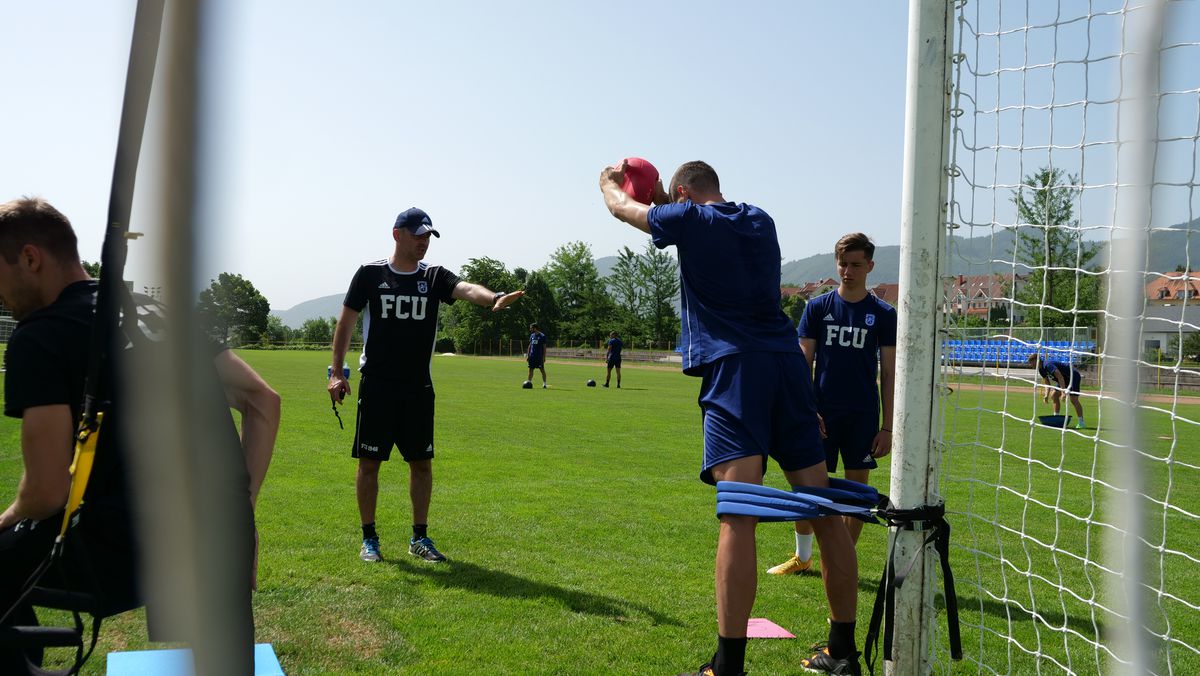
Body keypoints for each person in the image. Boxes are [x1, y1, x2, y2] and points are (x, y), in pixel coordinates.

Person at [600, 161, 862, 675]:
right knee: (824, 505)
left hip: (736, 369)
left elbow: (622, 208)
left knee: (738, 511)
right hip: (787, 367)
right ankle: (842, 652)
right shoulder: (760, 218)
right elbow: (679, 216)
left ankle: (728, 666)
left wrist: (608, 181)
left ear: (681, 192)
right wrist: (663, 199)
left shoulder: (690, 220)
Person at [0, 197, 278, 673]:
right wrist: (242, 516)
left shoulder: (39, 336)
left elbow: (46, 493)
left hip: (130, 544)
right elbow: (263, 402)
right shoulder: (162, 313)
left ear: (30, 259)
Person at [327, 207, 523, 564]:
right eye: (417, 235)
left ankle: (420, 538)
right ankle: (369, 538)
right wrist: (336, 372)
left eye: (428, 237)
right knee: (369, 463)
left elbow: (465, 288)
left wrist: (493, 298)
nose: (423, 242)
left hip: (418, 387)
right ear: (397, 234)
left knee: (421, 464)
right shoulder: (370, 274)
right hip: (378, 386)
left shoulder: (433, 277)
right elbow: (345, 324)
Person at [767, 233, 896, 576]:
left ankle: (837, 560)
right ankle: (803, 557)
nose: (848, 271)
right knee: (809, 489)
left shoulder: (883, 314)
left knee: (857, 495)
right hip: (820, 415)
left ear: (869, 266)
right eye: (843, 264)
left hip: (863, 417)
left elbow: (889, 373)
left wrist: (888, 426)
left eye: (856, 265)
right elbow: (801, 364)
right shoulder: (817, 308)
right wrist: (806, 410)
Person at [1028, 352, 1086, 428]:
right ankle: (1056, 419)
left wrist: (1063, 392)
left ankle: (1081, 423)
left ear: (1036, 361)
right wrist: (1046, 395)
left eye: (1031, 362)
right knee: (1054, 395)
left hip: (1072, 377)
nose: (1030, 365)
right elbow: (1047, 383)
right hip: (1063, 379)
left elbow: (1060, 376)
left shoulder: (1048, 365)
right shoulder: (1041, 369)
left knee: (1073, 400)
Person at [525, 323, 548, 388]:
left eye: (531, 328)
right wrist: (528, 355)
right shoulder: (532, 335)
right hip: (532, 356)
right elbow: (530, 346)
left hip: (539, 357)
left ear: (535, 328)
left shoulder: (542, 336)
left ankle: (544, 384)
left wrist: (544, 357)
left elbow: (544, 347)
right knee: (530, 370)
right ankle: (529, 383)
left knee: (542, 370)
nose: (530, 329)